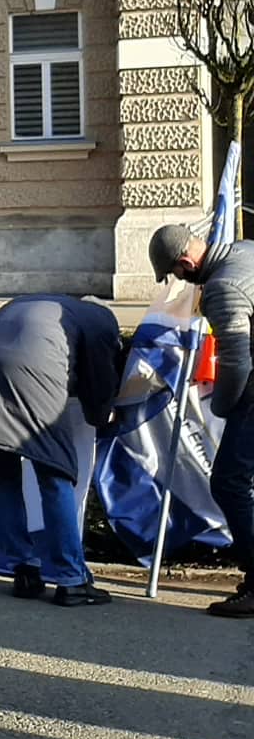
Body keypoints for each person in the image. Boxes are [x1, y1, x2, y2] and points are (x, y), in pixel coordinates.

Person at [0, 295, 124, 608]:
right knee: (55, 474)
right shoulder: (103, 323)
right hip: (38, 370)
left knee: (3, 473)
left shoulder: (52, 304)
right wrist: (106, 416)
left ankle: (24, 571)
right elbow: (100, 380)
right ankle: (71, 580)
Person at [151, 220, 254, 617]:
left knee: (229, 481)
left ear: (185, 262)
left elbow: (238, 361)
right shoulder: (245, 251)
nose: (178, 280)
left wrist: (223, 406)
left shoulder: (223, 288)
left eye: (174, 273)